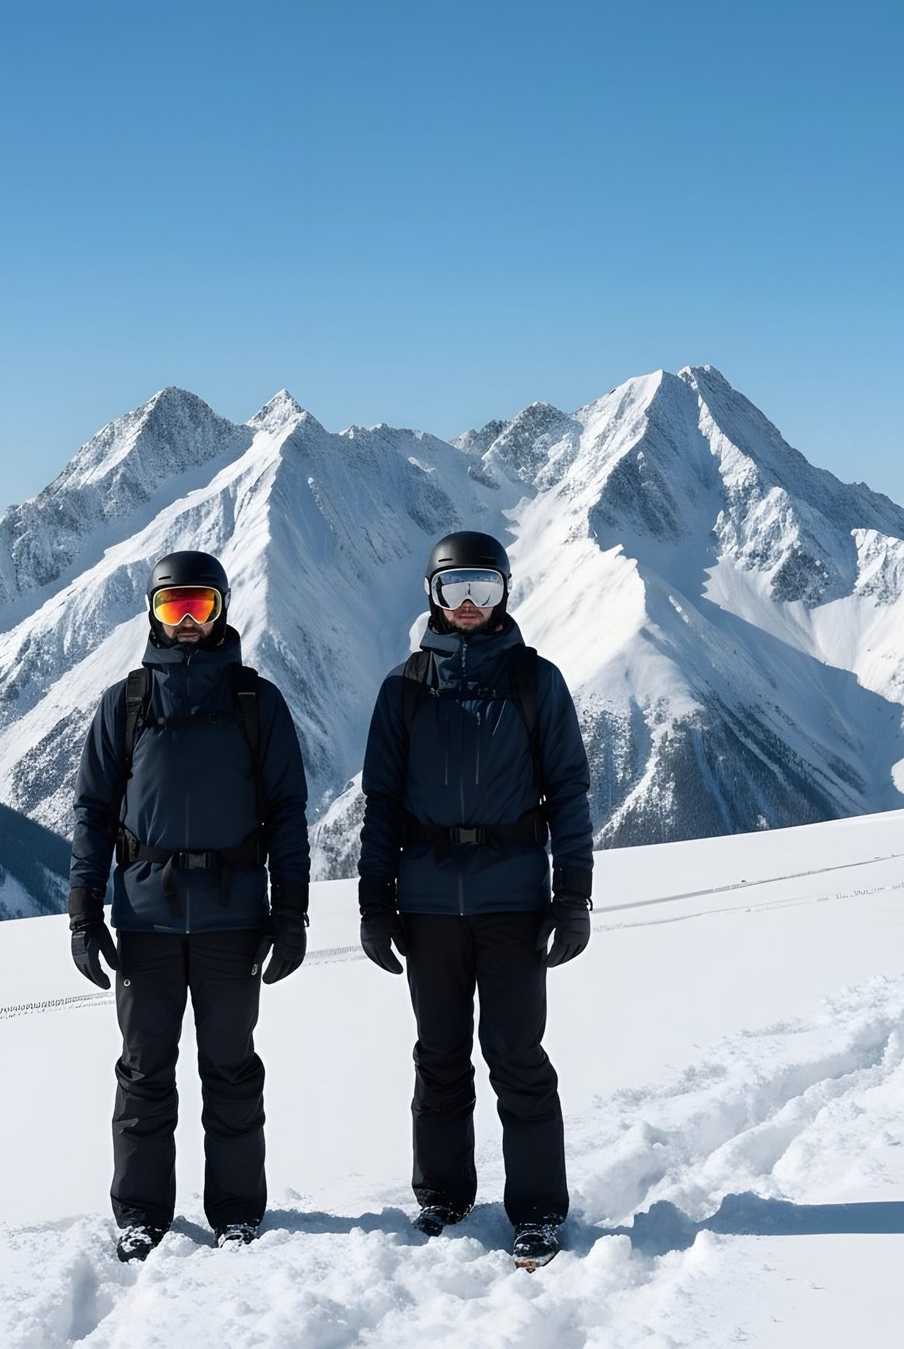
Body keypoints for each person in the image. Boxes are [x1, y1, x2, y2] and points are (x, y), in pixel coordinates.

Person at [357, 529, 593, 1270]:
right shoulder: (403, 689)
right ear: (431, 594)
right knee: (439, 1057)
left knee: (517, 1057)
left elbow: (570, 794)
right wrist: (373, 902)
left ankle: (537, 1212)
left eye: (482, 588)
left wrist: (573, 895)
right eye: (455, 587)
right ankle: (443, 1198)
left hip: (513, 899)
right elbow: (381, 806)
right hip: (427, 903)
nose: (467, 603)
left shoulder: (535, 681)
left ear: (505, 595)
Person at [67, 549, 311, 1262]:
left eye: (199, 605)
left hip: (233, 919)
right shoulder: (128, 702)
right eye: (173, 606)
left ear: (223, 609)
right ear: (151, 612)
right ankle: (141, 1214)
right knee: (144, 1072)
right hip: (145, 918)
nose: (186, 621)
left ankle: (237, 1213)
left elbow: (288, 815)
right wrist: (85, 913)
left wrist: (290, 913)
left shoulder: (255, 703)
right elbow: (90, 812)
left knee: (231, 1070)